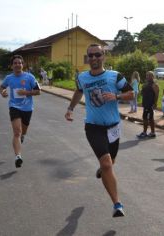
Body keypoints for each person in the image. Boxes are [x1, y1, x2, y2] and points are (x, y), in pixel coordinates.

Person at [64, 43, 134, 217]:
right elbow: (78, 92)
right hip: (93, 127)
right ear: (88, 58)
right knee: (106, 164)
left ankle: (103, 170)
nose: (94, 58)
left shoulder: (115, 76)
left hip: (113, 127)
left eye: (98, 55)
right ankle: (117, 204)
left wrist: (117, 96)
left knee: (110, 163)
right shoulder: (82, 78)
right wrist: (70, 108)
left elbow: (132, 94)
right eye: (91, 56)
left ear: (104, 56)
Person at [0, 55, 41, 168]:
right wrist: (2, 92)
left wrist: (26, 92)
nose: (17, 65)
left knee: (23, 132)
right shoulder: (9, 78)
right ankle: (18, 156)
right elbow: (2, 87)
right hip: (14, 107)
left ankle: (23, 136)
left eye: (19, 63)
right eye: (15, 63)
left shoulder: (30, 77)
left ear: (23, 65)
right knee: (17, 132)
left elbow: (38, 91)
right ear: (12, 65)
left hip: (27, 108)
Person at [136, 71, 159, 138]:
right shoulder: (146, 84)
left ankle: (146, 132)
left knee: (148, 118)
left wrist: (155, 103)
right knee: (148, 118)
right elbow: (142, 93)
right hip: (145, 104)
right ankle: (152, 132)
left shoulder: (154, 85)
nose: (147, 77)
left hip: (150, 104)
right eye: (147, 75)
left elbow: (156, 95)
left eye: (149, 75)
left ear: (153, 76)